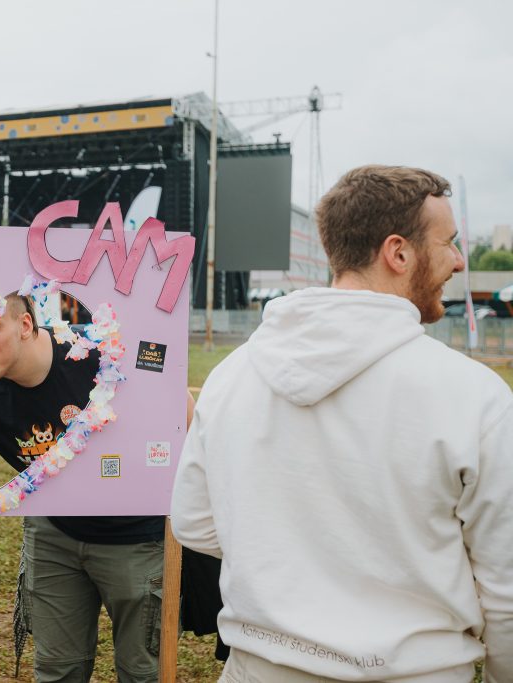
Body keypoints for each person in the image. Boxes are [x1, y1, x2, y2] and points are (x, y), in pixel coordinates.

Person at [172, 165, 513, 683]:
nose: (459, 260)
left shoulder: (230, 376)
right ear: (398, 253)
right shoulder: (474, 394)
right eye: (449, 242)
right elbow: (505, 586)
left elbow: (195, 523)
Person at [0, 294, 165, 682]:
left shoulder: (93, 351)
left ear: (25, 325)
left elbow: (178, 409)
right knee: (57, 671)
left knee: (141, 671)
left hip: (134, 535)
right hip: (54, 534)